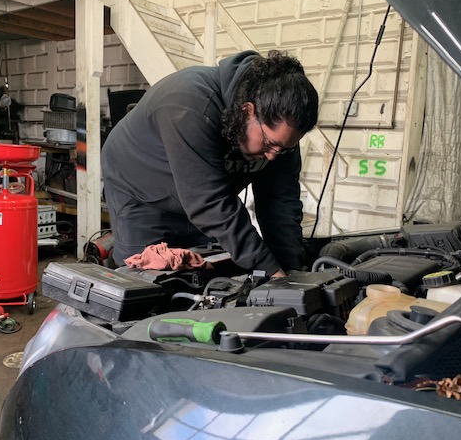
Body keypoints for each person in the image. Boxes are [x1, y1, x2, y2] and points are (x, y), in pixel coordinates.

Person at [101, 50, 319, 277]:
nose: (273, 156)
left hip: (198, 201)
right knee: (146, 282)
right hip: (142, 195)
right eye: (269, 144)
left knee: (207, 276)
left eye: (284, 148)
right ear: (247, 111)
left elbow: (281, 202)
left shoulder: (279, 139)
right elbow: (211, 204)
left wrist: (291, 270)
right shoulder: (189, 104)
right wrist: (271, 271)